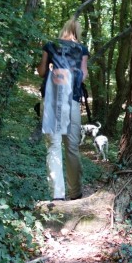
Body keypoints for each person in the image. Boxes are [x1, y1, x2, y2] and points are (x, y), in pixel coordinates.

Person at [37, 18, 89, 201]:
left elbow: (42, 72)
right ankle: (75, 193)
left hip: (51, 98)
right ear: (78, 32)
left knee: (53, 146)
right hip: (72, 100)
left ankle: (57, 195)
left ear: (63, 29)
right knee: (72, 147)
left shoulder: (50, 45)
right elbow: (83, 76)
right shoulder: (81, 49)